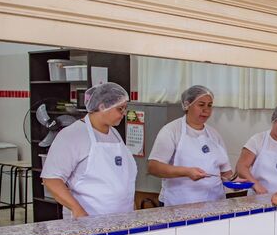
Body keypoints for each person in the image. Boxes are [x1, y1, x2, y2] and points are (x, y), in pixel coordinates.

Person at [42, 82, 136, 218]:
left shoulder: (114, 133)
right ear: (102, 106)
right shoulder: (73, 135)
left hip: (122, 220)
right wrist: (77, 210)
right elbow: (51, 179)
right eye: (120, 109)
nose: (124, 113)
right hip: (87, 222)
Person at [147, 85, 232, 206]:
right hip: (179, 204)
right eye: (201, 105)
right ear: (187, 105)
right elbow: (153, 167)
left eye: (210, 105)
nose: (206, 110)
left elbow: (225, 173)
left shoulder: (214, 134)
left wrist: (235, 182)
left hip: (215, 203)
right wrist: (186, 172)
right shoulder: (171, 131)